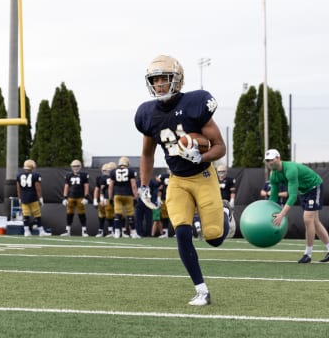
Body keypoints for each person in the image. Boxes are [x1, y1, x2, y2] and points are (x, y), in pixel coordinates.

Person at [135, 55, 230, 306]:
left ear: (176, 81)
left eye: (164, 80)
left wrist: (200, 156)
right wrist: (144, 185)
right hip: (177, 180)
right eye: (154, 81)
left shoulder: (195, 104)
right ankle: (201, 290)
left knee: (214, 237)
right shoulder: (147, 113)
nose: (159, 85)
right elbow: (147, 153)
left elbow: (220, 147)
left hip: (203, 175)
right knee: (182, 232)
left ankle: (225, 215)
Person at [264, 148, 329, 264]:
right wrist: (267, 211)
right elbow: (273, 196)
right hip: (304, 191)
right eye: (267, 160)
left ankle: (307, 254)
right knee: (315, 222)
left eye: (271, 160)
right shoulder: (273, 175)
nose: (270, 162)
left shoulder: (290, 170)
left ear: (278, 158)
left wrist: (282, 215)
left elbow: (292, 196)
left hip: (314, 187)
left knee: (308, 219)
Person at [16, 159, 52, 237]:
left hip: (24, 198)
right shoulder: (36, 175)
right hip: (32, 197)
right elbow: (37, 188)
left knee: (25, 215)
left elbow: (18, 188)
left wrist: (19, 198)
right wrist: (40, 198)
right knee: (37, 214)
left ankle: (26, 231)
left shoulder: (19, 175)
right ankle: (41, 231)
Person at [108, 157, 141, 238]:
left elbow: (110, 186)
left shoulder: (113, 172)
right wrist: (136, 196)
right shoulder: (131, 171)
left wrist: (110, 198)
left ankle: (117, 232)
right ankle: (133, 233)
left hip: (117, 195)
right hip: (128, 195)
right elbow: (133, 185)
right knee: (130, 214)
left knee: (117, 214)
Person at [61, 159, 91, 237]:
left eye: (77, 166)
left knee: (81, 213)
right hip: (71, 197)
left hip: (80, 197)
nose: (76, 168)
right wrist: (64, 197)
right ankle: (67, 231)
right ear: (71, 167)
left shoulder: (84, 175)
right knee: (69, 214)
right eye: (74, 166)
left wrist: (86, 197)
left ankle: (84, 231)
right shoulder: (68, 175)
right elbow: (66, 186)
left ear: (80, 167)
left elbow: (86, 186)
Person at [93, 162, 115, 238]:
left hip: (114, 198)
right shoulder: (101, 178)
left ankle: (116, 231)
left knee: (115, 215)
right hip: (106, 199)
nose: (106, 172)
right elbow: (98, 189)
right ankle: (101, 230)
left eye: (107, 170)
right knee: (102, 214)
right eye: (104, 170)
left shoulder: (115, 177)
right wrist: (96, 199)